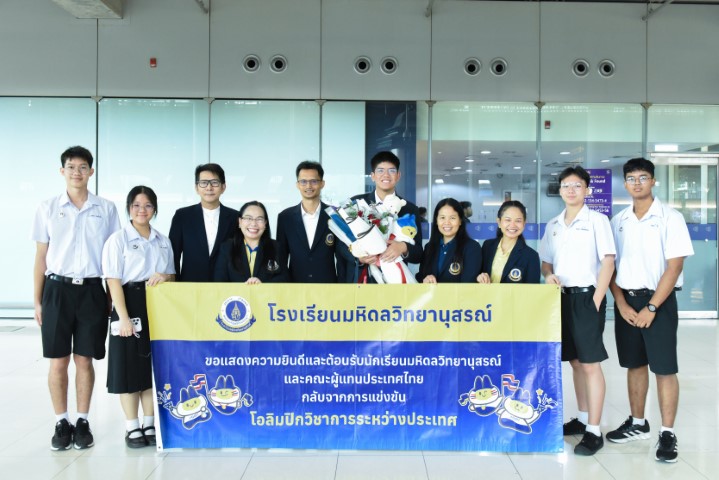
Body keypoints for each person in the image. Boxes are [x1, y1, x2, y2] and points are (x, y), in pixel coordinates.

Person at [32, 146, 121, 451]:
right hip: (57, 289)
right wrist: (37, 300)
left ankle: (82, 420)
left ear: (91, 172)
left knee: (85, 358)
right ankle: (61, 421)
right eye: (71, 167)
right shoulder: (47, 207)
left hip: (93, 291)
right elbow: (40, 257)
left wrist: (111, 296)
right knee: (58, 360)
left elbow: (112, 257)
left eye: (83, 167)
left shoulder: (106, 209)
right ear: (62, 171)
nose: (77, 172)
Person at [606, 158, 694, 463]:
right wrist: (620, 303)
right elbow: (610, 266)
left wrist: (653, 306)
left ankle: (667, 433)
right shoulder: (618, 221)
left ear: (653, 181)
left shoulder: (671, 218)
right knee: (635, 364)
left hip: (659, 301)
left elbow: (675, 266)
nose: (637, 183)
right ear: (625, 184)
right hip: (627, 303)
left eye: (643, 177)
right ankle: (638, 422)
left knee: (664, 368)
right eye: (631, 178)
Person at [539, 165, 615, 456]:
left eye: (577, 186)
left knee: (590, 363)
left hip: (587, 298)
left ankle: (594, 430)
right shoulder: (553, 224)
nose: (571, 190)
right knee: (574, 361)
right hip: (561, 298)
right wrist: (548, 275)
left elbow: (608, 261)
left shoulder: (597, 220)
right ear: (559, 190)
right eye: (566, 186)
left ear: (587, 190)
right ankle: (583, 419)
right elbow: (546, 262)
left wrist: (596, 299)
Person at [102, 186, 175, 448]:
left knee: (151, 366)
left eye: (147, 205)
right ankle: (132, 426)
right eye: (136, 205)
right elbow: (113, 280)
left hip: (156, 305)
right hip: (128, 304)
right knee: (128, 367)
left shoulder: (163, 240)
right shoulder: (118, 240)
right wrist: (122, 318)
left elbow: (172, 275)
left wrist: (164, 276)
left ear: (154, 209)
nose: (142, 210)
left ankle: (149, 423)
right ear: (128, 208)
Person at [339, 151, 423, 283]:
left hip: (395, 282)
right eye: (380, 170)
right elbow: (341, 245)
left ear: (398, 176)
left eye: (391, 170)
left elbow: (418, 253)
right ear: (372, 176)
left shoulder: (409, 209)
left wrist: (403, 247)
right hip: (362, 281)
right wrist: (358, 257)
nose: (386, 175)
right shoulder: (356, 204)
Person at [168, 163, 238, 282]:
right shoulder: (182, 216)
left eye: (214, 182)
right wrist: (175, 284)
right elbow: (173, 255)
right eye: (204, 183)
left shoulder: (235, 217)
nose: (209, 188)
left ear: (223, 187)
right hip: (190, 286)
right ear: (197, 188)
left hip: (225, 286)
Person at [276, 161, 339, 282]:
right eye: (303, 181)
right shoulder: (285, 217)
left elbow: (341, 257)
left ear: (322, 184)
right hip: (295, 285)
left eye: (314, 181)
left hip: (328, 287)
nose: (308, 186)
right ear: (297, 184)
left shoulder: (334, 215)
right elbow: (281, 258)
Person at [214, 201, 289, 283]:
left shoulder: (276, 247)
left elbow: (285, 278)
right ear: (240, 222)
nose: (253, 224)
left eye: (259, 219)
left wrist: (263, 285)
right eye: (248, 218)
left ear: (265, 223)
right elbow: (219, 281)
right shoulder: (227, 248)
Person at [416, 198, 481, 283]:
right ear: (436, 220)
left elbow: (469, 283)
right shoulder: (429, 247)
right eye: (442, 217)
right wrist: (425, 279)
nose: (447, 222)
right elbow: (421, 276)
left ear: (460, 221)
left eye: (452, 218)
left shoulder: (472, 248)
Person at [477, 200, 540, 284]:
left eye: (518, 221)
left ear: (524, 224)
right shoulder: (487, 246)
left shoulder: (531, 256)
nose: (512, 225)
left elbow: (533, 289)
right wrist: (479, 277)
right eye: (508, 220)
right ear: (499, 222)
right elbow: (477, 274)